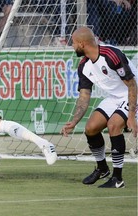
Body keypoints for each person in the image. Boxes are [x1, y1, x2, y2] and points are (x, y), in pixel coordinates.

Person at [61, 27, 137, 188]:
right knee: (91, 128)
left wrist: (131, 116)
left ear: (82, 43)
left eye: (73, 43)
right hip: (114, 97)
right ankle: (102, 169)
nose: (72, 46)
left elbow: (132, 85)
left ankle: (118, 178)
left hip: (134, 92)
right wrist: (74, 121)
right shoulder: (83, 66)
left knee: (114, 125)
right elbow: (84, 97)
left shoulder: (111, 55)